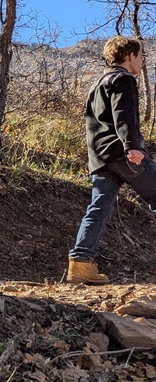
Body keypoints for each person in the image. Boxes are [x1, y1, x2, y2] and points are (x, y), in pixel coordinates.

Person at [68, 36, 156, 284]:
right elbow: (123, 115)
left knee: (99, 208)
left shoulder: (98, 82)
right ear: (129, 56)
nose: (141, 62)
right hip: (122, 153)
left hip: (100, 157)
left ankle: (81, 263)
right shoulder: (123, 79)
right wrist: (133, 147)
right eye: (140, 57)